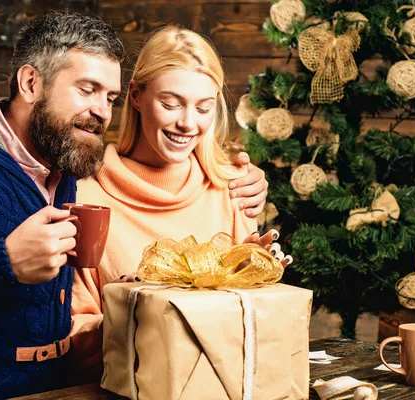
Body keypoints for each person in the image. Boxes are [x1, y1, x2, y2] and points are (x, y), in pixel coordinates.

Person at [0, 12, 267, 398]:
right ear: (31, 83)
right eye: (87, 89)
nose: (102, 111)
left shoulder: (62, 169)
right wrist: (4, 263)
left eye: (109, 97)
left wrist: (129, 302)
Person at [68, 25, 293, 379]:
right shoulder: (84, 196)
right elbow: (73, 339)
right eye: (170, 104)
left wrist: (251, 279)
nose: (188, 123)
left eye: (203, 108)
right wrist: (131, 309)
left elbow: (250, 333)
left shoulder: (232, 188)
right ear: (136, 95)